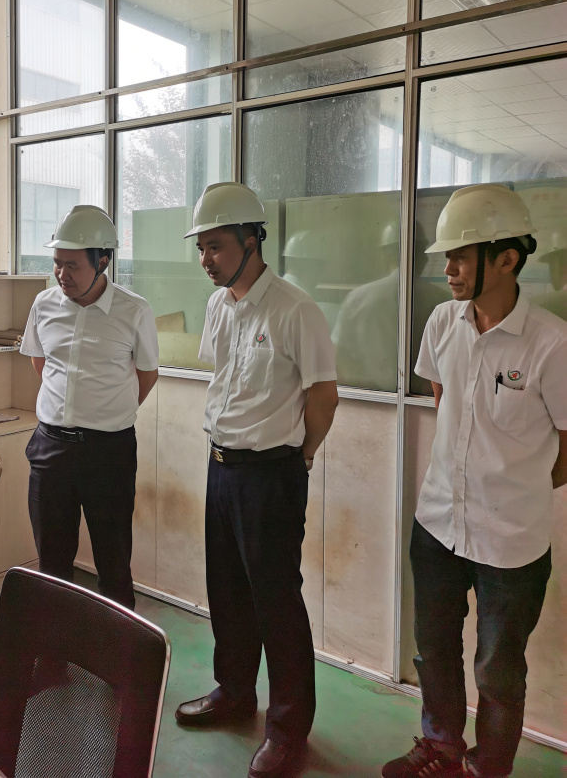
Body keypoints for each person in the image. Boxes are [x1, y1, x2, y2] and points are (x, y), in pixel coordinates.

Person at [383, 184, 567, 778]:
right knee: (434, 649)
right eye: (447, 257)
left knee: (497, 669)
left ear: (507, 258)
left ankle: (487, 766)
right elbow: (445, 401)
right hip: (437, 523)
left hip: (510, 542)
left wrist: (516, 487)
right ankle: (440, 747)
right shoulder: (442, 322)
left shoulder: (551, 344)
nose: (449, 269)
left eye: (461, 256)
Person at [174, 182, 339, 778]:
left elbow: (324, 395)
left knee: (276, 603)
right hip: (222, 466)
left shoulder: (295, 310)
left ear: (251, 241)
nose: (206, 259)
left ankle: (288, 728)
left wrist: (301, 456)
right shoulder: (219, 307)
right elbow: (225, 378)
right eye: (201, 247)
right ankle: (235, 692)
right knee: (227, 591)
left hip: (271, 473)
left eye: (215, 246)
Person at [20, 204, 159, 610]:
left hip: (108, 453)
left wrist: (107, 413)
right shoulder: (44, 304)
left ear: (102, 262)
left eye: (72, 266)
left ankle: (118, 650)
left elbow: (147, 374)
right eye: (57, 263)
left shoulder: (134, 310)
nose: (61, 274)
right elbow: (41, 362)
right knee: (52, 565)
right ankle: (55, 646)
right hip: (51, 449)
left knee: (113, 564)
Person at [332, 220, 448, 393]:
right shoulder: (443, 301)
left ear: (384, 255)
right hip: (423, 400)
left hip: (367, 397)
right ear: (423, 256)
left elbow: (339, 356)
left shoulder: (357, 298)